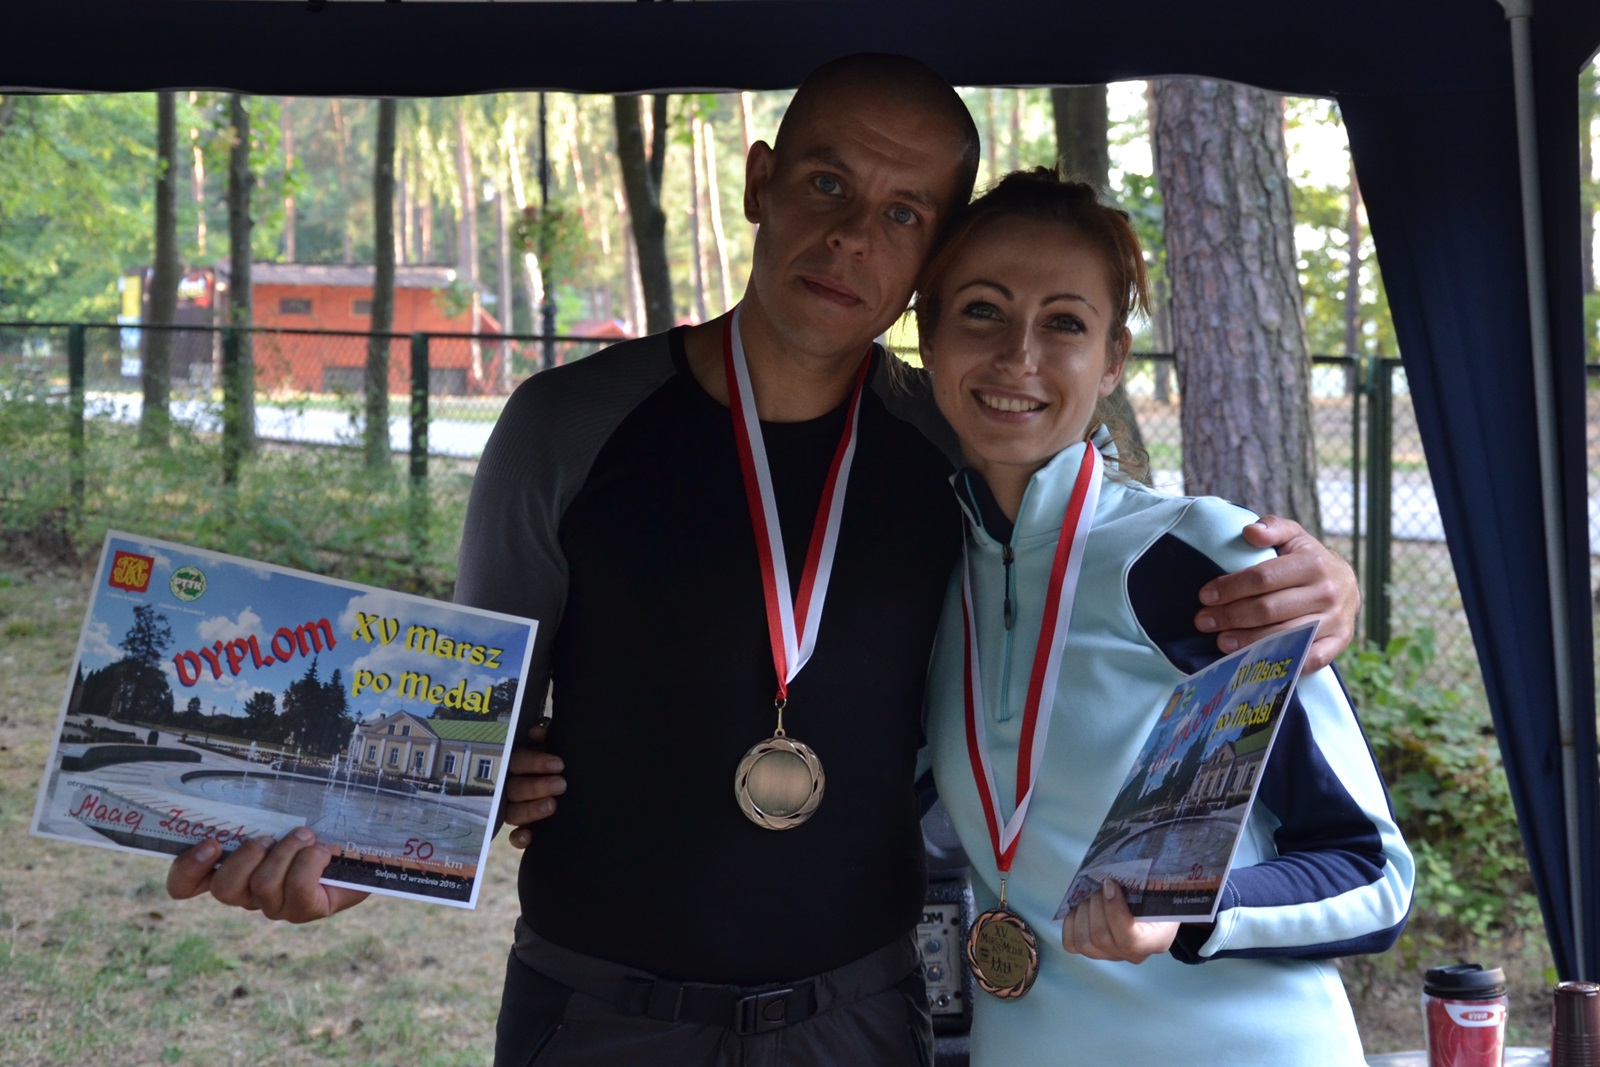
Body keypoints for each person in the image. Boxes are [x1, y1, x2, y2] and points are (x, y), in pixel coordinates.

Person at [165, 55, 1362, 1066]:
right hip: (596, 1012)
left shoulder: (951, 449)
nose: (851, 235)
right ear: (758, 183)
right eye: (827, 184)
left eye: (904, 214)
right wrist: (353, 855)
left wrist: (1314, 583)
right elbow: (474, 738)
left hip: (858, 1014)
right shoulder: (565, 425)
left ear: (929, 258)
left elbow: (1089, 533)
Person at [916, 168, 1413, 1064]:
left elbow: (1370, 871)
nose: (1018, 354)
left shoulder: (1193, 557)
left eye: (1065, 322)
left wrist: (1191, 912)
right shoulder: (925, 577)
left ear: (1113, 359)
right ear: (929, 334)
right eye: (982, 310)